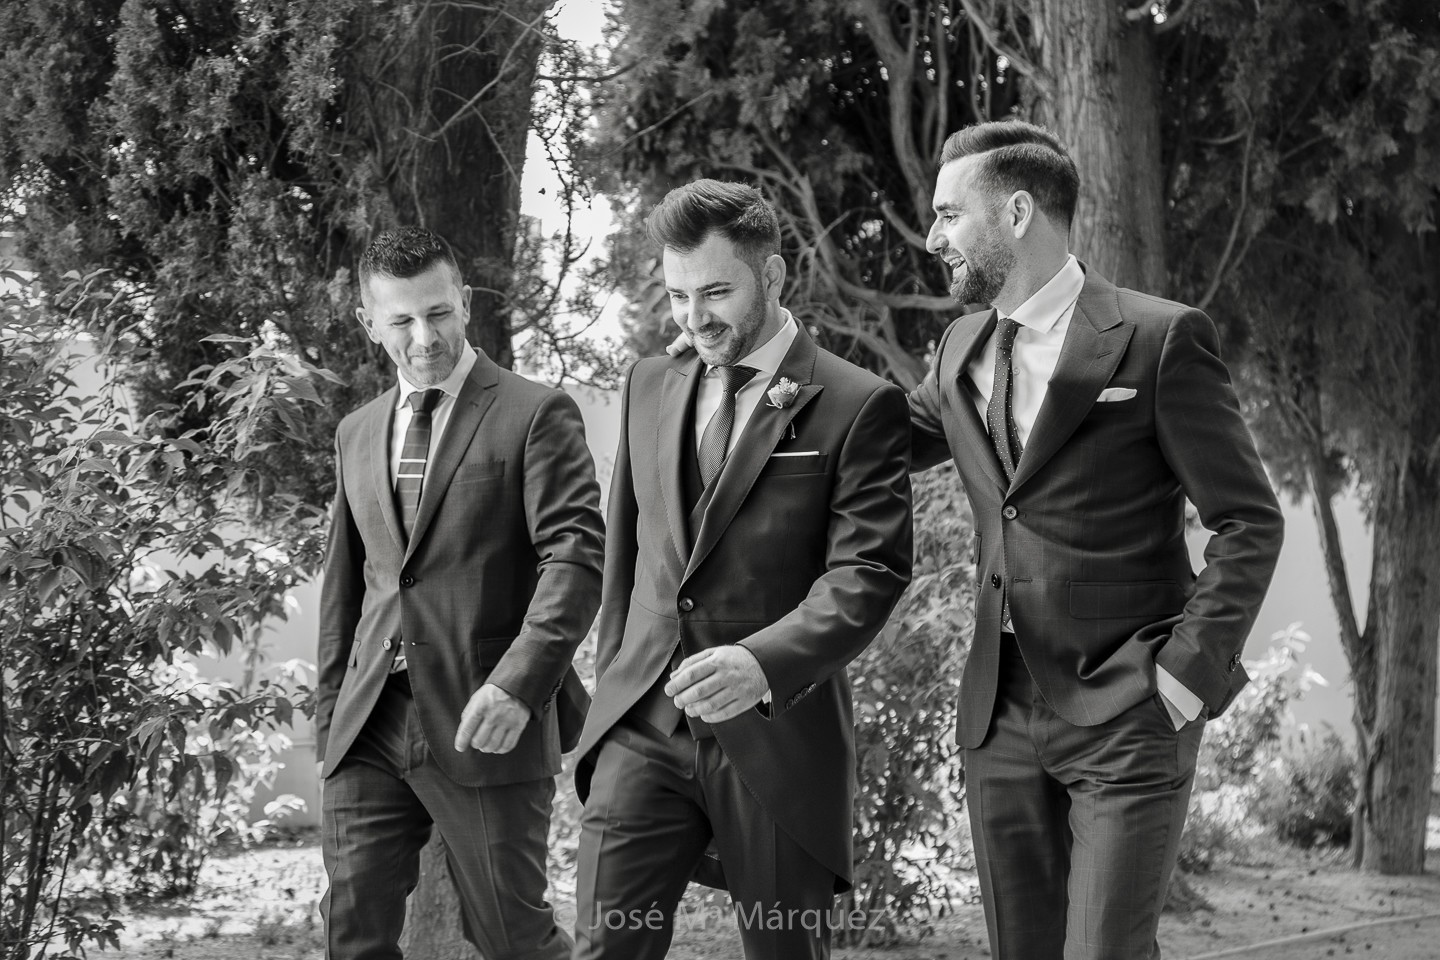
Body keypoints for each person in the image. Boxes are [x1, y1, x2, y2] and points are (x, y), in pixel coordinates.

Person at [908, 120, 1284, 959]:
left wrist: (1184, 678)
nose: (933, 238)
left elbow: (1248, 520)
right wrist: (757, 359)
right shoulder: (957, 349)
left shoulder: (1160, 339)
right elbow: (872, 442)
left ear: (1014, 212)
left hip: (1128, 704)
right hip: (997, 710)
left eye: (947, 214)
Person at [571, 179, 913, 960]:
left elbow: (868, 572)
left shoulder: (856, 404)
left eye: (717, 291)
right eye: (679, 295)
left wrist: (762, 664)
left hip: (777, 735)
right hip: (643, 725)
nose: (696, 317)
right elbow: (624, 547)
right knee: (602, 950)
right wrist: (615, 681)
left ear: (774, 275)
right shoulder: (647, 384)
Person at [314, 226, 604, 959]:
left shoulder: (535, 413)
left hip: (487, 716)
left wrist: (517, 686)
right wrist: (329, 725)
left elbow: (574, 559)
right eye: (402, 320)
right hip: (370, 722)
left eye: (438, 313)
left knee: (513, 937)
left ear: (465, 303)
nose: (424, 338)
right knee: (353, 932)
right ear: (368, 324)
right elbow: (348, 588)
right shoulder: (356, 432)